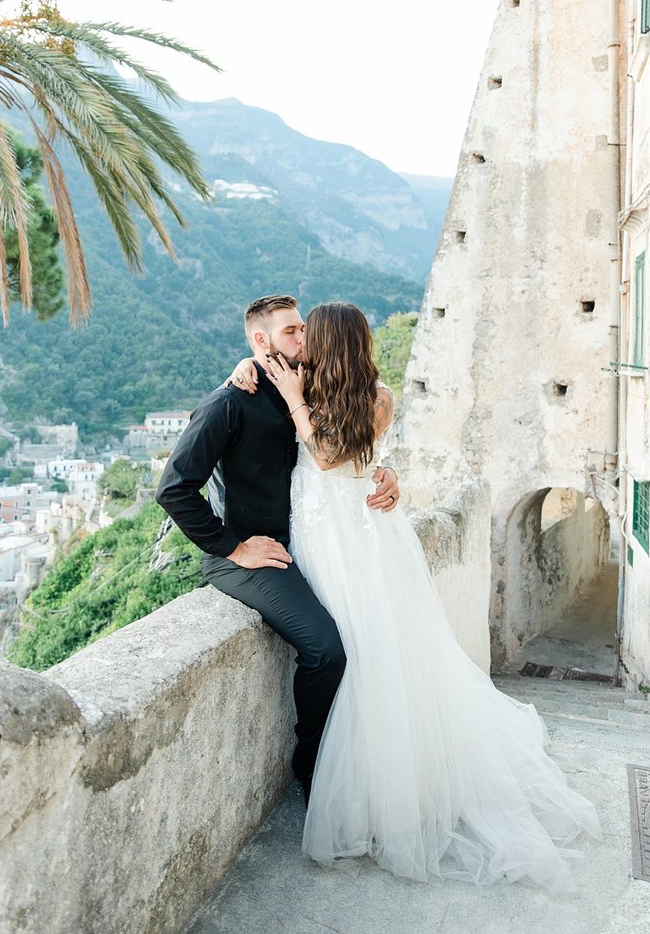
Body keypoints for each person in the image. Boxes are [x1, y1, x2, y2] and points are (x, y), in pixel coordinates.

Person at [258, 300, 602, 893]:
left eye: (312, 333)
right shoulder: (304, 380)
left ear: (335, 342)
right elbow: (265, 368)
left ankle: (385, 793)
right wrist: (249, 367)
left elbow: (331, 455)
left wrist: (302, 409)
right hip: (321, 533)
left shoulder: (378, 397)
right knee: (353, 652)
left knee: (375, 654)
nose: (303, 341)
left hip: (359, 540)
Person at [155, 295, 400, 801]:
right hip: (248, 556)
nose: (305, 339)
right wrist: (232, 547)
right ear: (261, 341)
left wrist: (388, 473)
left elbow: (347, 449)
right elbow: (174, 488)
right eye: (292, 332)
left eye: (306, 329)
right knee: (327, 648)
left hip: (314, 541)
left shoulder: (307, 389)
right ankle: (310, 766)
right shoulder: (229, 400)